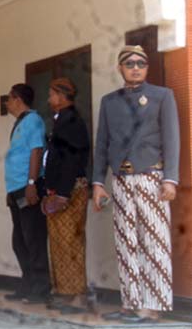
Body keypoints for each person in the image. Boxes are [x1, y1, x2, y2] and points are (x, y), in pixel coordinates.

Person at [93, 45, 179, 324]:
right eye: (129, 63)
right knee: (125, 241)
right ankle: (131, 303)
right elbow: (102, 144)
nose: (135, 67)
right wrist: (98, 182)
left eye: (141, 63)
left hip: (151, 178)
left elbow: (171, 139)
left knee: (154, 241)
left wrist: (170, 178)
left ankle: (152, 307)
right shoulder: (109, 101)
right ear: (120, 67)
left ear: (147, 67)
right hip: (120, 180)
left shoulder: (162, 96)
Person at [42, 78, 90, 314]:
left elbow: (71, 160)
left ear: (61, 96)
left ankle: (77, 297)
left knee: (70, 242)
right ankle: (65, 293)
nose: (49, 99)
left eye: (51, 94)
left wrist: (61, 194)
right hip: (59, 189)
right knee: (60, 243)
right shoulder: (61, 121)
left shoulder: (71, 121)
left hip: (69, 189)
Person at [3, 84, 51, 304]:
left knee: (33, 238)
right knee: (19, 240)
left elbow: (36, 151)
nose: (7, 103)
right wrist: (10, 191)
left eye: (9, 99)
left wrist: (32, 183)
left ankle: (41, 289)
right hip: (16, 189)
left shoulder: (33, 120)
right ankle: (28, 284)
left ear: (19, 99)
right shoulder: (20, 123)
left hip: (28, 187)